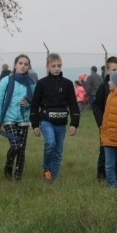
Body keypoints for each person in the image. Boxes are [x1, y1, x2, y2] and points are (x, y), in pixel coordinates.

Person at [30, 53, 80, 181]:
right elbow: (34, 104)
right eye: (53, 66)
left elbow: (73, 104)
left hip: (61, 123)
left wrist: (74, 123)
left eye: (59, 65)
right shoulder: (41, 83)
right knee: (50, 143)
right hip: (46, 121)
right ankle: (47, 169)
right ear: (47, 66)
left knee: (58, 151)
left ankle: (54, 178)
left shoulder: (68, 84)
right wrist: (35, 124)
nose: (56, 68)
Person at [0, 54, 34, 181]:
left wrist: (27, 104)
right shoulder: (6, 80)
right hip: (8, 119)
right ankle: (8, 166)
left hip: (24, 120)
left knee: (21, 149)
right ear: (15, 65)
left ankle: (18, 176)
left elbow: (34, 102)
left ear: (28, 67)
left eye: (26, 64)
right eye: (20, 63)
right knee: (15, 145)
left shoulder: (31, 83)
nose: (23, 66)